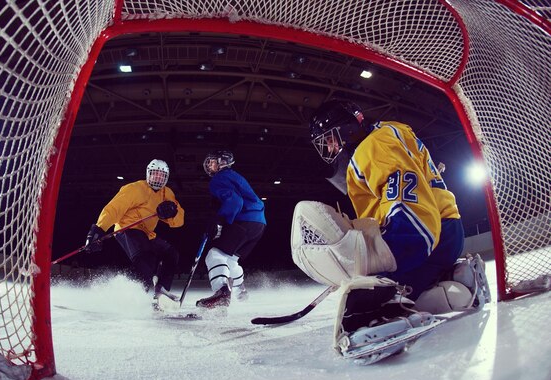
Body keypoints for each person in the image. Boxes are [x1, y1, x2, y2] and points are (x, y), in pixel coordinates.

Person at [292, 97, 486, 361]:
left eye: (330, 138)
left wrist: (385, 266)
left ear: (347, 129)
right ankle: (457, 280)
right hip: (446, 231)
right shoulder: (391, 131)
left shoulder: (371, 148)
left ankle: (379, 315)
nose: (330, 147)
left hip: (425, 235)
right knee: (420, 299)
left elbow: (410, 201)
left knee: (369, 299)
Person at [85, 159, 185, 309]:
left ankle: (161, 290)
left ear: (166, 178)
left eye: (161, 176)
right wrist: (99, 229)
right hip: (127, 228)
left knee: (171, 254)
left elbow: (178, 221)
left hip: (147, 232)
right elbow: (114, 208)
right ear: (148, 174)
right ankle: (134, 296)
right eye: (154, 174)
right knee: (146, 258)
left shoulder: (167, 193)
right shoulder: (134, 189)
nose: (157, 178)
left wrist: (172, 213)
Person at [195, 151, 266, 309]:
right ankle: (241, 291)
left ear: (223, 162)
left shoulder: (219, 178)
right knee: (231, 260)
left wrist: (220, 219)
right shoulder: (234, 176)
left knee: (214, 255)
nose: (209, 166)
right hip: (258, 224)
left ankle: (221, 294)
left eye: (212, 162)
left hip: (244, 220)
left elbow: (235, 201)